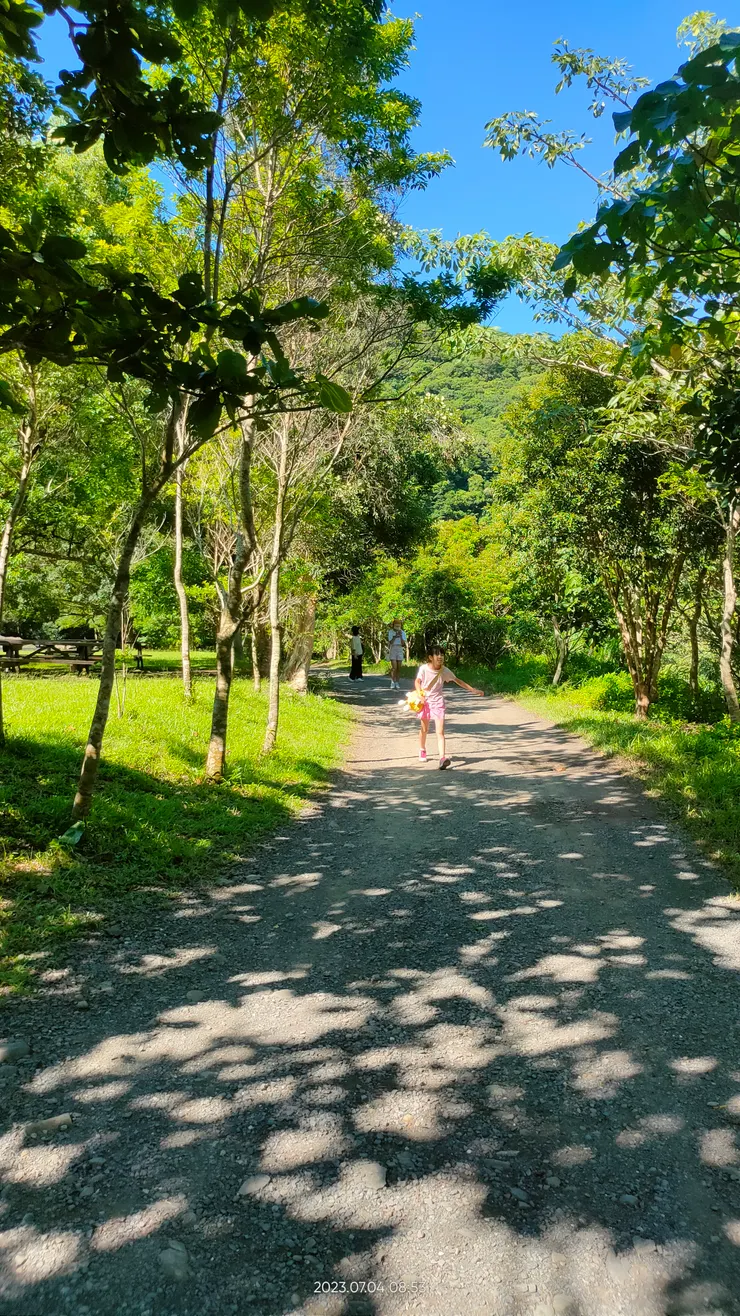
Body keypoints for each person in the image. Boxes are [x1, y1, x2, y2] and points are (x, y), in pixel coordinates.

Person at [415, 644, 484, 769]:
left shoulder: (444, 671)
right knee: (424, 729)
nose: (440, 657)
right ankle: (422, 749)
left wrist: (473, 690)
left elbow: (457, 680)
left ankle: (442, 758)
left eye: (442, 654)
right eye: (437, 654)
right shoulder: (424, 669)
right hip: (424, 702)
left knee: (440, 732)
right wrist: (420, 695)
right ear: (430, 657)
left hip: (438, 703)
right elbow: (417, 682)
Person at [387, 618, 407, 690]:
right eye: (396, 626)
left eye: (399, 626)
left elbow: (403, 644)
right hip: (393, 648)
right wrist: (395, 636)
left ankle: (397, 682)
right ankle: (392, 681)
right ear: (393, 625)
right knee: (394, 667)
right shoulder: (390, 632)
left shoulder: (403, 633)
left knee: (399, 668)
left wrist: (401, 636)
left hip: (399, 649)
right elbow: (391, 642)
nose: (397, 627)